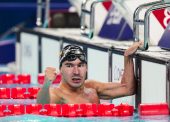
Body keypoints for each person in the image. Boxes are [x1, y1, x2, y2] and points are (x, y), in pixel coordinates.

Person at [37, 41, 142, 104]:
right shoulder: (57, 95)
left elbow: (127, 89)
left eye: (80, 65)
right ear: (61, 70)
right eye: (69, 66)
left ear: (86, 68)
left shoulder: (92, 88)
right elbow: (42, 106)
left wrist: (127, 56)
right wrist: (46, 84)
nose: (76, 72)